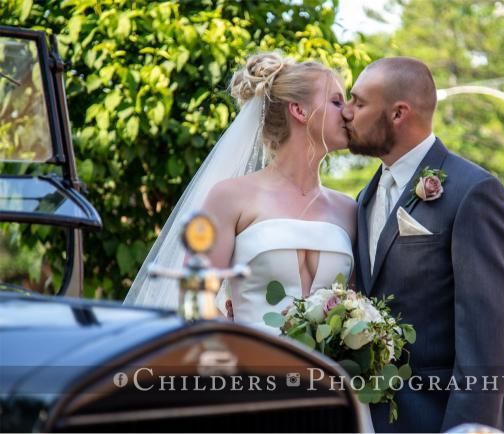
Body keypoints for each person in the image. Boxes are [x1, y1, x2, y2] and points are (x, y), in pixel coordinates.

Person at [343, 57, 504, 432]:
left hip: (442, 417)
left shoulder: (473, 191)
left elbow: (488, 332)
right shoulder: (364, 197)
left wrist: (467, 427)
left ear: (398, 114)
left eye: (358, 102)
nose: (346, 112)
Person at [125, 52, 356, 333]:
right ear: (299, 110)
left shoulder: (349, 210)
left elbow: (356, 303)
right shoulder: (229, 197)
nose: (348, 112)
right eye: (336, 101)